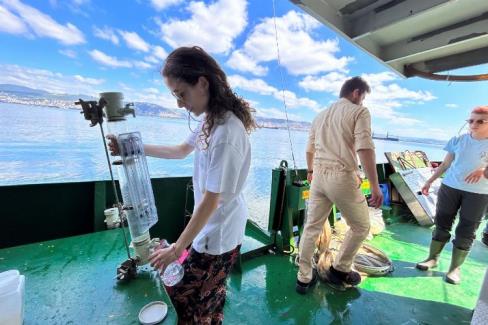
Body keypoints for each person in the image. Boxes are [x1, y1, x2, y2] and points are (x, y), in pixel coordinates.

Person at [108, 46, 256, 323]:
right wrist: (132, 148)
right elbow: (178, 150)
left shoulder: (225, 132)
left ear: (202, 82)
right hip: (212, 229)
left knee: (193, 304)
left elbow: (211, 201)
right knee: (211, 295)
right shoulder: (211, 121)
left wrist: (176, 249)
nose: (179, 103)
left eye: (181, 94)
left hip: (218, 234)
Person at [296, 76, 383, 294]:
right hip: (342, 177)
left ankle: (304, 277)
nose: (363, 101)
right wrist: (374, 185)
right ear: (356, 92)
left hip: (318, 178)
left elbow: (309, 149)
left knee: (311, 227)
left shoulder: (319, 115)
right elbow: (364, 148)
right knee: (361, 226)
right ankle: (340, 269)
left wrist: (310, 172)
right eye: (362, 96)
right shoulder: (359, 112)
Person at [416, 106, 488, 285]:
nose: (474, 124)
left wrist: (483, 170)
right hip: (450, 187)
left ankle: (455, 268)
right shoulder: (457, 140)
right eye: (471, 120)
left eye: (480, 121)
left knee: (467, 230)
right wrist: (429, 181)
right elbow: (445, 164)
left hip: (478, 194)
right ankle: (432, 258)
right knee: (442, 223)